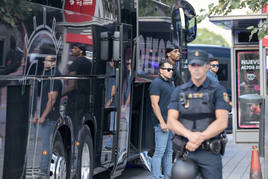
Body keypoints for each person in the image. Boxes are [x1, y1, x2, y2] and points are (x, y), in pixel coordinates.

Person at [167, 50, 231, 179]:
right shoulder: (179, 91)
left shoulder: (217, 90)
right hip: (185, 151)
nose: (196, 69)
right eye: (193, 65)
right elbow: (171, 121)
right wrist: (190, 135)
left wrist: (200, 138)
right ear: (189, 67)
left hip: (209, 153)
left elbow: (222, 122)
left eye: (200, 65)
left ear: (207, 66)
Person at [30, 55, 62, 172]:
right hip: (45, 117)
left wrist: (43, 117)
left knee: (46, 145)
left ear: (53, 62)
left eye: (47, 60)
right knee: (43, 145)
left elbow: (52, 100)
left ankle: (44, 169)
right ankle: (43, 167)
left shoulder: (54, 77)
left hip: (49, 118)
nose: (44, 62)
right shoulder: (49, 76)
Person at [149, 60, 175, 179]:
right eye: (168, 69)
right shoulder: (156, 83)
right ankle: (156, 176)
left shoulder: (170, 83)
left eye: (172, 69)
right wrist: (162, 122)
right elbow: (155, 105)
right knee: (159, 152)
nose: (171, 72)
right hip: (162, 123)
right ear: (161, 70)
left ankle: (167, 176)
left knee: (169, 152)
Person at [62, 43, 92, 135]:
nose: (72, 50)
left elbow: (72, 86)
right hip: (86, 98)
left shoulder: (75, 64)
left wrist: (60, 94)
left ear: (81, 51)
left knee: (72, 123)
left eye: (75, 48)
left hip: (76, 99)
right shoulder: (89, 63)